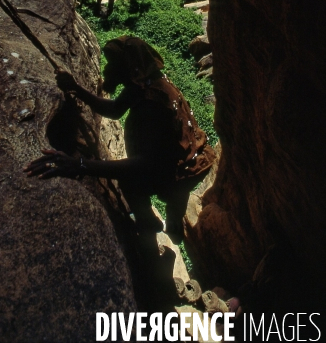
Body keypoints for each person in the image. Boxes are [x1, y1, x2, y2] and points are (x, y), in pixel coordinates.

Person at [24, 36, 215, 241]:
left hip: (181, 168)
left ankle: (152, 231)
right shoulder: (145, 84)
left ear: (128, 67)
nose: (107, 69)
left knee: (132, 183)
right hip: (185, 158)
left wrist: (80, 164)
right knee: (173, 202)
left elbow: (143, 164)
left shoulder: (152, 103)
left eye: (113, 63)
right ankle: (169, 222)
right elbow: (115, 110)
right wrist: (76, 89)